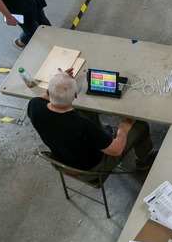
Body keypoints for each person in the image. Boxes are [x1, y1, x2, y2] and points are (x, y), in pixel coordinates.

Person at [27, 68, 157, 172]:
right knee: (140, 126)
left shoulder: (34, 105)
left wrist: (61, 82)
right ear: (76, 95)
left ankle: (101, 137)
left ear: (49, 92)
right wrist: (122, 129)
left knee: (87, 111)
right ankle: (144, 161)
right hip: (90, 167)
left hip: (62, 158)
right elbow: (116, 150)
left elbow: (47, 96)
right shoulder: (82, 125)